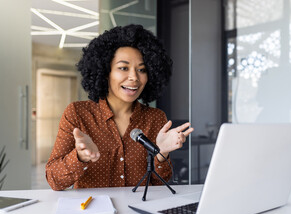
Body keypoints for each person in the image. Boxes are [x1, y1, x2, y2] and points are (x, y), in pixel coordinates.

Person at [46, 24, 193, 191]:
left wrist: (162, 153)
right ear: (105, 71)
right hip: (93, 212)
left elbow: (159, 185)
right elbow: (54, 180)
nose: (134, 77)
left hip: (138, 212)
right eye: (123, 68)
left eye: (142, 70)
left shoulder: (156, 118)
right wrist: (80, 156)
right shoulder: (77, 113)